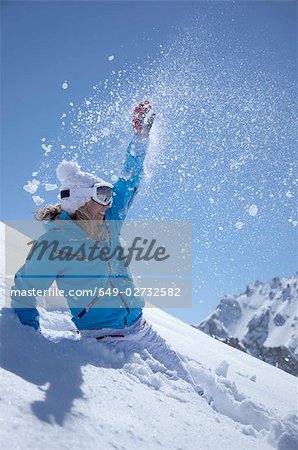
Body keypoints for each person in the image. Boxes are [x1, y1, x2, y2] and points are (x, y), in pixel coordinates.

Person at [11, 101, 208, 400]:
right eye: (102, 196)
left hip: (140, 327)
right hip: (106, 339)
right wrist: (30, 337)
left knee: (193, 392)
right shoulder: (56, 243)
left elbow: (129, 182)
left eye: (108, 196)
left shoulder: (108, 222)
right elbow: (25, 288)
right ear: (80, 201)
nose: (108, 203)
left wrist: (139, 138)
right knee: (181, 399)